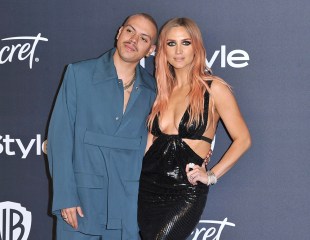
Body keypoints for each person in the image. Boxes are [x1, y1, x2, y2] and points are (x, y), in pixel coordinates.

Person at [138, 17, 251, 240]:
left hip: (185, 190)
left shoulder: (214, 88)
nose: (178, 51)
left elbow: (243, 139)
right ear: (163, 50)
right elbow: (149, 145)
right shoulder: (161, 91)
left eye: (185, 43)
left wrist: (211, 176)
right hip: (147, 186)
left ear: (196, 47)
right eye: (171, 43)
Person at [47, 13, 157, 240]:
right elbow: (60, 138)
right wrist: (66, 196)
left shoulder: (153, 89)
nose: (133, 39)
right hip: (80, 202)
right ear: (119, 32)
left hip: (128, 203)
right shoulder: (79, 74)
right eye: (130, 31)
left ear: (151, 50)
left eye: (144, 38)